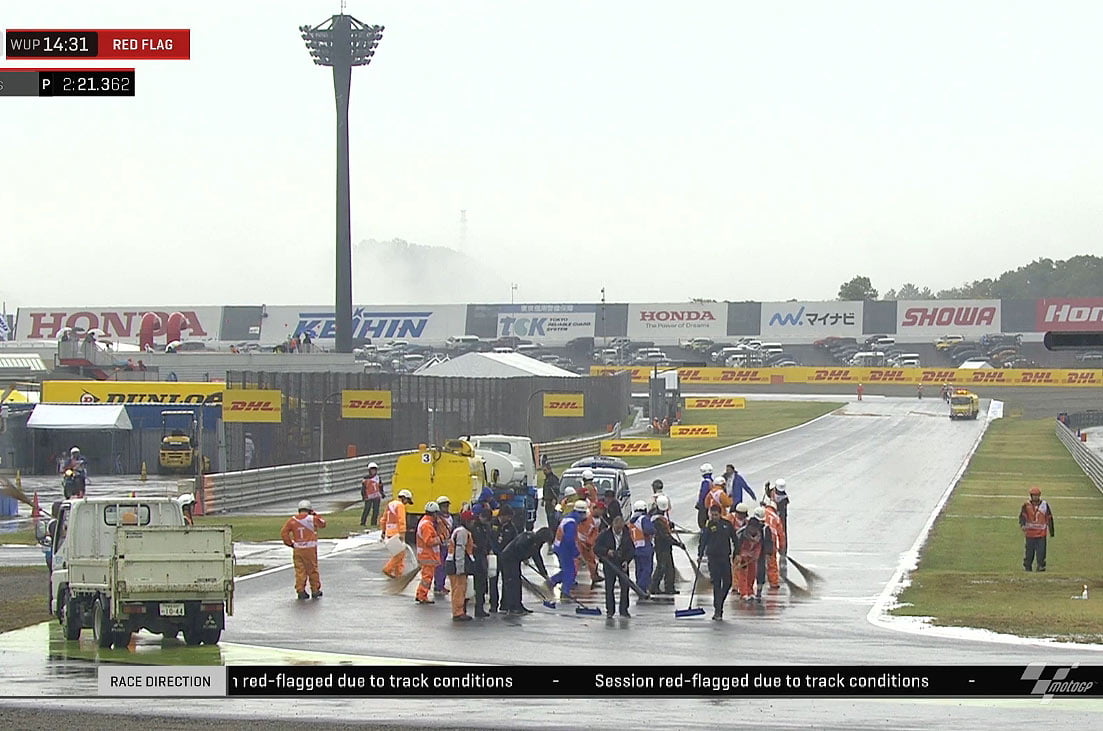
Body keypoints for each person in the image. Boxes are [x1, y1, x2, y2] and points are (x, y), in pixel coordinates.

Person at [499, 527, 552, 614]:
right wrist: (524, 557)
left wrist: (543, 573)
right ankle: (512, 607)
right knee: (512, 582)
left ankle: (517, 605)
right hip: (508, 558)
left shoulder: (538, 543)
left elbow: (537, 557)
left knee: (517, 582)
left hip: (515, 560)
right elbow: (519, 545)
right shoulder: (528, 537)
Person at [280, 500, 326, 600]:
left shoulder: (292, 520)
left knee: (300, 570)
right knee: (312, 570)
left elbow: (284, 533)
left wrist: (290, 543)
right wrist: (315, 514)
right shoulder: (312, 519)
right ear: (309, 510)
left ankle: (300, 590)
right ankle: (315, 590)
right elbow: (323, 523)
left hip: (298, 549)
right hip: (310, 549)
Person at [699, 503, 737, 620]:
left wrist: (737, 552)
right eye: (712, 515)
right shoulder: (708, 526)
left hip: (725, 557)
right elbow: (703, 541)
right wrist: (700, 554)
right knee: (716, 583)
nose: (714, 517)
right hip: (713, 558)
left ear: (720, 514)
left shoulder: (727, 524)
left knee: (728, 582)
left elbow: (734, 539)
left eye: (716, 515)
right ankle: (718, 610)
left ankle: (720, 602)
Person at [595, 514, 635, 618]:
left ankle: (624, 610)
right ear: (613, 525)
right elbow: (596, 548)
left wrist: (627, 561)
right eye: (617, 528)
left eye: (620, 529)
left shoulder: (626, 535)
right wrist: (607, 552)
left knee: (625, 587)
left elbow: (631, 550)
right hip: (609, 564)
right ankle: (610, 611)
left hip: (622, 563)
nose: (618, 531)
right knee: (609, 588)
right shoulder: (605, 534)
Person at [549, 500, 586, 597]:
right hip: (564, 549)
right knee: (570, 571)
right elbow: (569, 540)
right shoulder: (571, 523)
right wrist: (576, 554)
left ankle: (552, 581)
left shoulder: (568, 518)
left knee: (566, 570)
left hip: (559, 546)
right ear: (581, 513)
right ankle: (565, 592)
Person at [649, 495, 682, 595]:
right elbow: (665, 536)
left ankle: (669, 588)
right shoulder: (657, 520)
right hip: (661, 546)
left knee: (669, 568)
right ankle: (654, 587)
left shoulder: (659, 516)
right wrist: (678, 543)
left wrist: (669, 524)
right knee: (662, 567)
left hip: (665, 546)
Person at [446, 511, 476, 622]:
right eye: (471, 520)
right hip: (456, 565)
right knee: (459, 589)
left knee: (458, 589)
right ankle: (458, 613)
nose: (473, 523)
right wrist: (460, 569)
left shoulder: (461, 531)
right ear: (466, 521)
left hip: (453, 563)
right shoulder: (463, 533)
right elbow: (459, 551)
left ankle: (458, 611)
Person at [1020, 487, 1055, 571]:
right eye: (1034, 495)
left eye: (1037, 495)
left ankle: (1041, 566)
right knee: (1029, 552)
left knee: (1041, 551)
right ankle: (1027, 566)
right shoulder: (1026, 505)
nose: (1035, 497)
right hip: (1030, 534)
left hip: (1041, 534)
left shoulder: (1044, 505)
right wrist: (1023, 524)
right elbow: (1023, 515)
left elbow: (1049, 517)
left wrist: (1051, 531)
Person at [734, 507, 764, 602]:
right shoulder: (742, 534)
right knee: (743, 574)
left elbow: (759, 545)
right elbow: (737, 546)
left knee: (752, 574)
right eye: (752, 528)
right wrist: (739, 556)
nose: (753, 530)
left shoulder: (759, 535)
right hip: (742, 556)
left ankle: (750, 591)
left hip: (752, 556)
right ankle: (743, 593)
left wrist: (756, 555)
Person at [381, 489, 414, 578]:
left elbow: (384, 519)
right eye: (407, 501)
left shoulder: (390, 504)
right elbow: (401, 520)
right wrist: (402, 534)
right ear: (404, 498)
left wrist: (383, 531)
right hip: (396, 533)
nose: (406, 503)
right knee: (400, 554)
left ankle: (398, 573)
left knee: (398, 553)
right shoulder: (400, 506)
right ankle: (388, 569)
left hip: (389, 532)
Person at [415, 501, 443, 604]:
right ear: (434, 513)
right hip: (428, 555)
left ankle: (420, 593)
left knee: (426, 577)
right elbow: (429, 541)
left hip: (426, 555)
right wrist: (440, 538)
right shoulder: (427, 525)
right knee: (427, 577)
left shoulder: (426, 522)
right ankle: (422, 595)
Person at [491, 504, 518, 610]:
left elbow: (514, 542)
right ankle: (493, 604)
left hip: (506, 558)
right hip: (494, 557)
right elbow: (489, 539)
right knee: (493, 581)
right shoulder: (492, 524)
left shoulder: (512, 528)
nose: (509, 519)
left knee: (506, 580)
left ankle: (505, 604)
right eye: (508, 516)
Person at [471, 508, 496, 618]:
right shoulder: (474, 527)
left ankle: (480, 608)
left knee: (481, 584)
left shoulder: (486, 526)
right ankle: (477, 609)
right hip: (476, 557)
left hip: (483, 556)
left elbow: (489, 540)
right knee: (477, 585)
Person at [628, 500, 655, 592]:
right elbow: (650, 530)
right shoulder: (643, 519)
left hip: (635, 548)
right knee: (647, 569)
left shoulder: (631, 521)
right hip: (645, 547)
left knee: (639, 569)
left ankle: (639, 586)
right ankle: (641, 588)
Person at [750, 505, 776, 602]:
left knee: (760, 572)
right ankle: (748, 591)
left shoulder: (766, 529)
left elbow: (768, 542)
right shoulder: (749, 527)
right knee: (749, 573)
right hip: (750, 553)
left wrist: (768, 553)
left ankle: (758, 591)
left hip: (761, 553)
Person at [577, 500, 604, 588]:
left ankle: (594, 576)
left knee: (591, 559)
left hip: (588, 542)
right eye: (600, 509)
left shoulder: (598, 520)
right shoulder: (587, 516)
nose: (602, 512)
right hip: (580, 541)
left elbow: (594, 532)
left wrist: (591, 542)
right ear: (595, 509)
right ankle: (570, 578)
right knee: (577, 560)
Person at [762, 499, 786, 589]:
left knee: (758, 561)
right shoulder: (776, 517)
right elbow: (781, 534)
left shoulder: (762, 512)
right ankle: (774, 583)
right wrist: (781, 547)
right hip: (771, 539)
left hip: (760, 537)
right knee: (772, 562)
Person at [434, 496, 454, 595]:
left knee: (444, 566)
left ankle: (440, 584)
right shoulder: (437, 519)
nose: (446, 508)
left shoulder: (450, 517)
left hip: (447, 545)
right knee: (440, 566)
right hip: (440, 545)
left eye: (447, 506)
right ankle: (439, 586)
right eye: (444, 506)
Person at [359, 462, 383, 527]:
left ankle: (373, 523)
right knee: (367, 509)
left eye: (374, 470)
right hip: (368, 497)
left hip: (376, 496)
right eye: (372, 470)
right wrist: (363, 496)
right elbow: (363, 488)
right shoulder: (365, 479)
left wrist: (382, 493)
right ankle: (363, 522)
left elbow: (380, 486)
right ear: (369, 470)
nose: (373, 471)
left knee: (376, 510)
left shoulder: (378, 478)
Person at [541, 463, 561, 530]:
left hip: (552, 503)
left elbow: (556, 490)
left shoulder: (553, 479)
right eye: (543, 470)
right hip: (547, 503)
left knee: (553, 520)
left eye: (545, 470)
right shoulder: (547, 479)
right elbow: (545, 490)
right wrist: (543, 499)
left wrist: (554, 499)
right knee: (549, 519)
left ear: (549, 470)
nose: (544, 472)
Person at [696, 463, 715, 530]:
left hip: (704, 504)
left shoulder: (705, 482)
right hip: (710, 503)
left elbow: (703, 494)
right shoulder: (712, 481)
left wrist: (700, 503)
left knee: (702, 520)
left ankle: (704, 530)